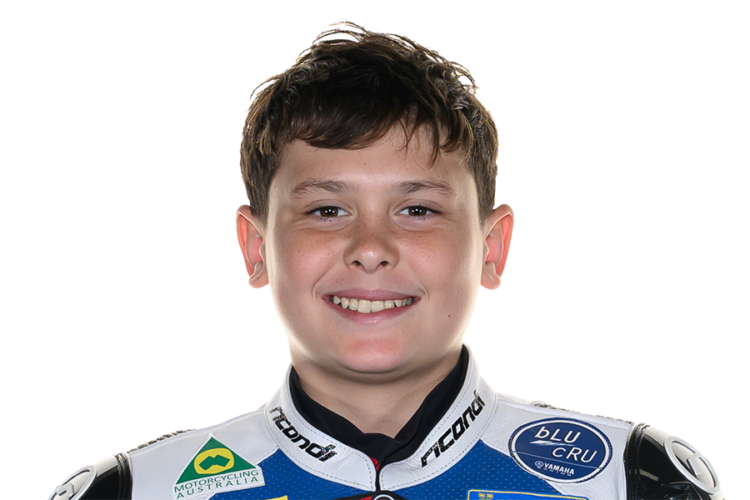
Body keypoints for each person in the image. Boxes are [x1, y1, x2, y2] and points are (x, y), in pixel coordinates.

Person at [43, 19, 727, 500]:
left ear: (493, 249)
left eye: (418, 209)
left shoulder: (633, 480)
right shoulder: (132, 491)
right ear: (256, 248)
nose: (370, 248)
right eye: (326, 210)